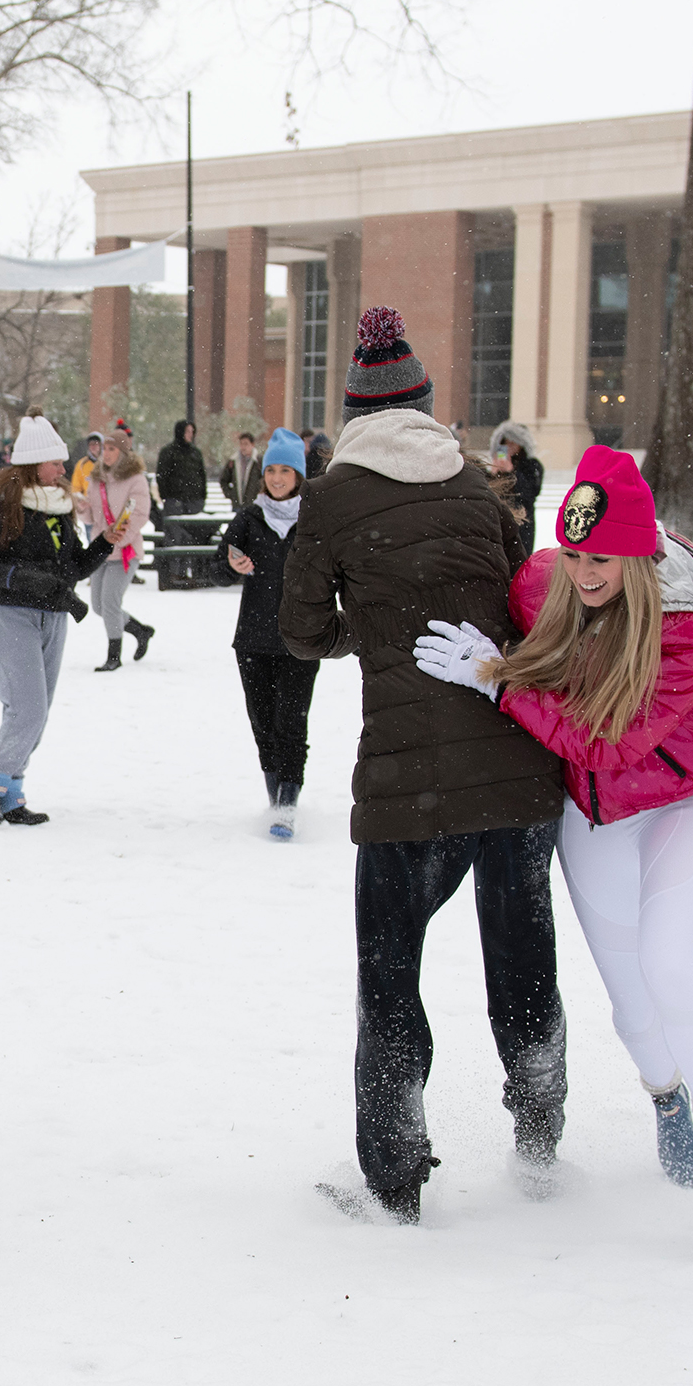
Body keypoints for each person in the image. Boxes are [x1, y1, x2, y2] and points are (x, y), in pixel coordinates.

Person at [414, 445, 693, 1223]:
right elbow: (503, 589)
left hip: (678, 805)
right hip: (595, 817)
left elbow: (605, 744)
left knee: (667, 963)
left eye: (601, 558)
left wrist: (499, 682)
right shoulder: (547, 583)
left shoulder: (689, 632)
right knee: (629, 996)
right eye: (573, 554)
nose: (584, 573)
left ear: (637, 553)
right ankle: (666, 1100)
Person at [278, 306, 567, 1224]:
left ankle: (395, 1178)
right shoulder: (478, 486)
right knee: (522, 958)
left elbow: (300, 631)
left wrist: (376, 629)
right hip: (516, 765)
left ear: (354, 412)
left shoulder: (331, 499)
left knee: (390, 971)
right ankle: (541, 1138)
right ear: (427, 406)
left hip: (410, 783)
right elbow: (523, 604)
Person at [0, 409, 122, 825]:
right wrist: (22, 578)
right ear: (34, 463)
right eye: (55, 462)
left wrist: (104, 542)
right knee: (28, 709)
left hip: (54, 617)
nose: (63, 470)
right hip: (9, 614)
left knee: (36, 711)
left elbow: (72, 568)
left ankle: (10, 794)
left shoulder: (60, 507)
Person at [218, 430, 317, 840]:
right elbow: (217, 567)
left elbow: (336, 571)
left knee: (290, 723)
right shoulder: (248, 518)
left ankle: (286, 806)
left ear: (298, 475)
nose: (277, 478)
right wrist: (231, 565)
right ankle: (275, 796)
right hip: (253, 641)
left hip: (301, 640)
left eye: (285, 471)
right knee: (263, 724)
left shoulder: (314, 521)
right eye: (271, 470)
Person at [75, 423, 154, 671]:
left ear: (123, 452)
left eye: (112, 449)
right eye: (105, 448)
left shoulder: (136, 479)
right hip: (101, 550)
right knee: (99, 606)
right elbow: (93, 518)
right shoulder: (97, 479)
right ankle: (140, 630)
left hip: (125, 551)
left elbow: (139, 515)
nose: (106, 453)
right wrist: (83, 509)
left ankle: (113, 656)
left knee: (110, 603)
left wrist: (117, 539)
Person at [487, 420, 548, 554]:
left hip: (522, 523)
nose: (509, 447)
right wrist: (493, 474)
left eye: (513, 443)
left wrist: (511, 472)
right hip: (497, 522)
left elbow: (530, 493)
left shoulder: (531, 465)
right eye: (505, 443)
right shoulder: (495, 466)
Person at [155, 419, 206, 515]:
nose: (190, 434)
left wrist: (201, 496)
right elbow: (162, 476)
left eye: (192, 432)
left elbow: (202, 475)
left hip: (194, 501)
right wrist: (166, 496)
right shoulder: (168, 452)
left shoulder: (195, 453)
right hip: (174, 501)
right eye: (188, 431)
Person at [219, 430, 259, 507]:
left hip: (254, 505)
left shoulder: (258, 462)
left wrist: (257, 495)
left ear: (252, 445)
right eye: (241, 444)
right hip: (237, 505)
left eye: (246, 444)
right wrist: (231, 494)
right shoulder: (233, 461)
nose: (243, 447)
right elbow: (223, 480)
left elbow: (263, 481)